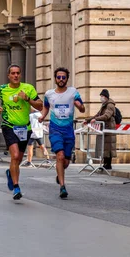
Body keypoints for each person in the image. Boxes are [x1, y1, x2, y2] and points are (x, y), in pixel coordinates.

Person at [0, 64, 42, 200]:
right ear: (8, 75)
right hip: (9, 126)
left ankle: (10, 172)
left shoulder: (28, 88)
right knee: (14, 155)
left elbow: (40, 105)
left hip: (25, 128)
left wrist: (27, 99)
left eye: (18, 73)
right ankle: (16, 187)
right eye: (13, 73)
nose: (15, 75)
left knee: (18, 158)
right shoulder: (2, 89)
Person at [39, 67, 85, 198]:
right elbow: (46, 107)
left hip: (68, 130)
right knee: (59, 156)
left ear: (67, 79)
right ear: (55, 79)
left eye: (63, 77)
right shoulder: (49, 94)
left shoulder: (73, 92)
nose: (61, 79)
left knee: (65, 162)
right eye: (58, 77)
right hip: (55, 129)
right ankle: (62, 187)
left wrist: (79, 106)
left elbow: (82, 108)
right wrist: (42, 116)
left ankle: (59, 174)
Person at [86, 89, 116, 170]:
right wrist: (88, 120)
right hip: (105, 128)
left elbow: (107, 116)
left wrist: (96, 120)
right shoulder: (104, 105)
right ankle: (105, 164)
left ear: (106, 97)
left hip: (109, 128)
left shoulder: (110, 105)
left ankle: (108, 164)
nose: (101, 98)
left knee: (108, 147)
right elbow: (97, 114)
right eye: (101, 96)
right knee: (105, 147)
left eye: (102, 96)